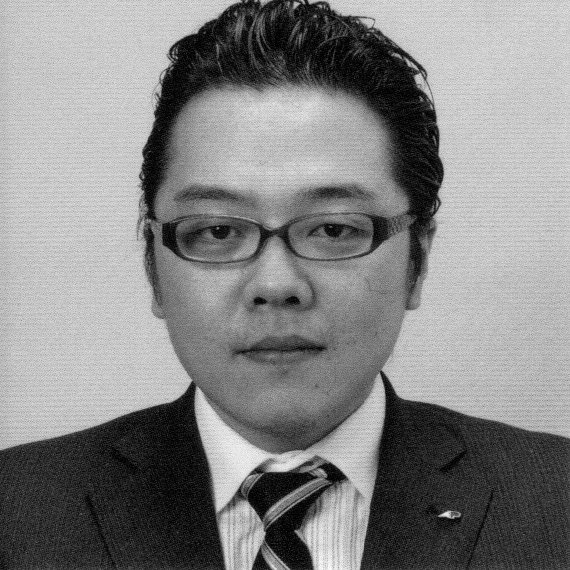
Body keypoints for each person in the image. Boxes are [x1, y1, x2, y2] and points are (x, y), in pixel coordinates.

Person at [0, 0, 568, 568]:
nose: (275, 284)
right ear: (153, 266)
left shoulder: (555, 503)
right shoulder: (17, 512)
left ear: (417, 259)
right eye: (218, 231)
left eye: (333, 229)